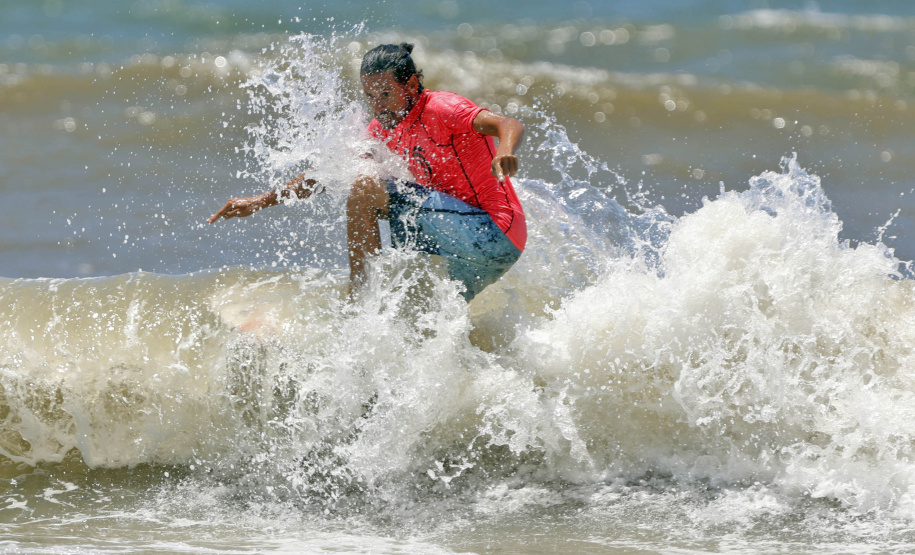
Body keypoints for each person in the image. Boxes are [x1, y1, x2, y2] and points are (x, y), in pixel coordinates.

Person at [208, 42, 527, 301]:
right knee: (415, 322)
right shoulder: (382, 128)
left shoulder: (441, 107)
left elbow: (507, 123)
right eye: (370, 96)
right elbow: (330, 175)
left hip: (493, 231)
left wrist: (505, 150)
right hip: (473, 252)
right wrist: (260, 201)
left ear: (412, 84)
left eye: (386, 94)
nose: (378, 105)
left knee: (366, 188)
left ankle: (358, 300)